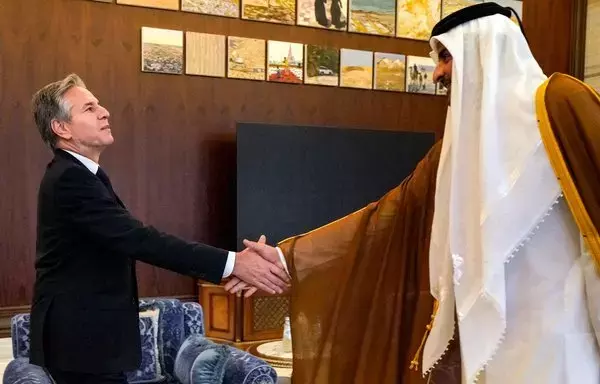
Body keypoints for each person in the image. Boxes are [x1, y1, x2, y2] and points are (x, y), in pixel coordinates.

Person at [226, 3, 600, 383]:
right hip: (489, 343)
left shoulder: (560, 102)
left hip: (563, 339)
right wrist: (284, 258)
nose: (437, 72)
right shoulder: (455, 148)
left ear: (487, 48)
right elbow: (386, 217)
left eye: (446, 57)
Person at [28, 73, 290, 384]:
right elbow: (139, 239)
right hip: (81, 344)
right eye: (88, 108)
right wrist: (234, 263)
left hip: (87, 341)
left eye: (98, 104)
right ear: (61, 128)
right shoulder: (70, 179)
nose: (104, 111)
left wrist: (234, 267)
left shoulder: (81, 175)